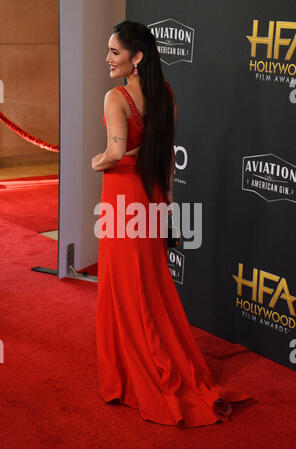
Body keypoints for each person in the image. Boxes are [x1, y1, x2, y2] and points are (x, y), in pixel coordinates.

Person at [92, 20, 250, 427]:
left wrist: (96, 162)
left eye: (114, 52)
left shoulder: (117, 98)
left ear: (136, 57)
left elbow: (112, 154)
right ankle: (154, 359)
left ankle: (131, 372)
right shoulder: (166, 95)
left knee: (124, 285)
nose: (108, 58)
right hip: (153, 197)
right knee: (150, 284)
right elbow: (164, 159)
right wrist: (167, 209)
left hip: (123, 197)